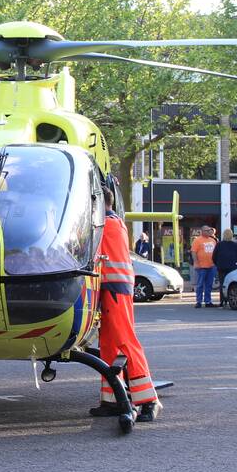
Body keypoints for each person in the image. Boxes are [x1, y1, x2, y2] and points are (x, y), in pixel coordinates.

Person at [90, 179, 161, 422]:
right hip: (112, 288)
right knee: (109, 345)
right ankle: (112, 400)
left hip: (115, 289)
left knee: (125, 341)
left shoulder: (105, 225)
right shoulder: (114, 223)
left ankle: (148, 400)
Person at [212, 229, 237, 306]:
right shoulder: (234, 245)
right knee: (231, 284)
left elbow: (214, 256)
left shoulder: (219, 244)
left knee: (222, 284)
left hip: (221, 267)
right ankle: (230, 299)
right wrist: (236, 262)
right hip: (232, 267)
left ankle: (222, 300)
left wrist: (217, 263)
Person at [191, 226, 217, 308]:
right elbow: (194, 252)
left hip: (211, 266)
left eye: (209, 230)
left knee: (209, 285)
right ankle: (199, 301)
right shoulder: (197, 240)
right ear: (202, 231)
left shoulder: (213, 240)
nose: (209, 232)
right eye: (207, 230)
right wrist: (196, 262)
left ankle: (208, 301)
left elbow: (216, 252)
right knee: (200, 284)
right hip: (201, 266)